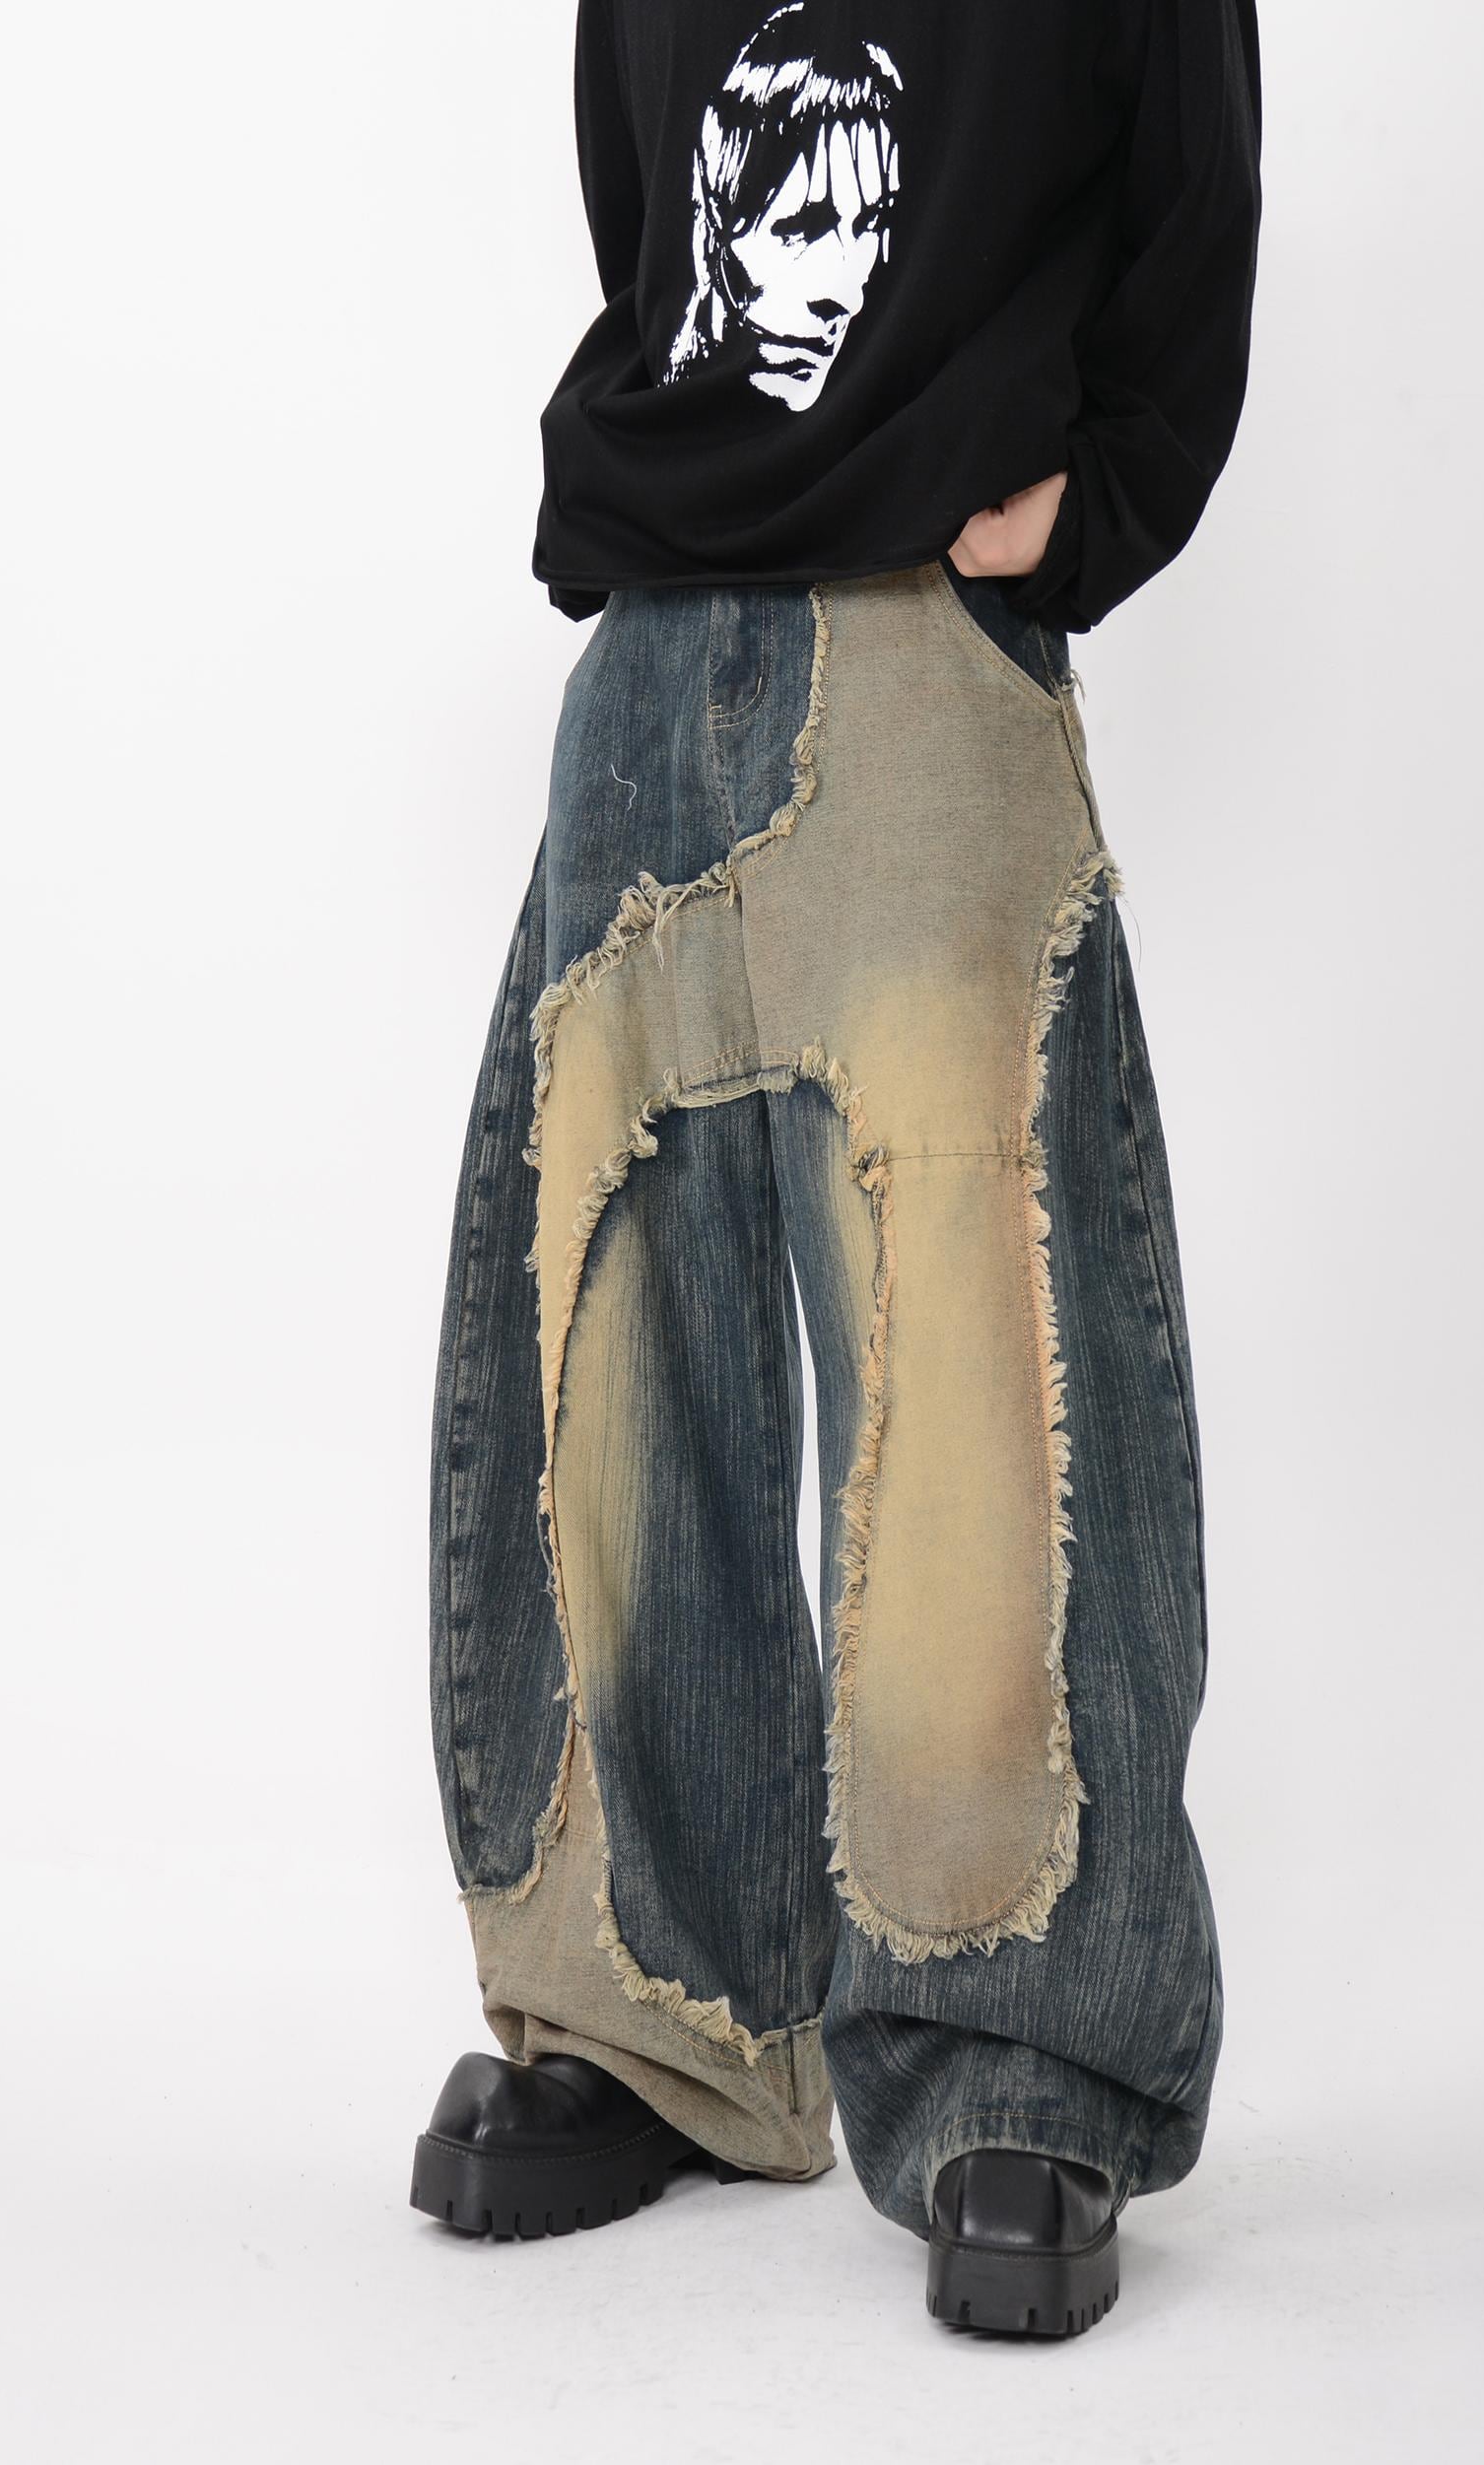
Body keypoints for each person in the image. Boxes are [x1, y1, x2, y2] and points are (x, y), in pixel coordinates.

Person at [413, 0, 1261, 2340]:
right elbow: (642, 196)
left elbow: (1186, 201)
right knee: (611, 1339)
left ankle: (1018, 2058)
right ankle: (659, 2019)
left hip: (923, 636)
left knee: (981, 1359)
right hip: (649, 646)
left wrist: (1092, 500)